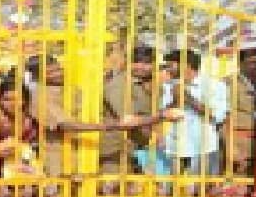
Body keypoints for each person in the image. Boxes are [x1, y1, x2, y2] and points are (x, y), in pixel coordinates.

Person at [24, 54, 166, 179]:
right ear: (37, 76)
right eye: (50, 72)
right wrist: (112, 126)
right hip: (63, 157)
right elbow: (65, 124)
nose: (58, 73)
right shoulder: (40, 97)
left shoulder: (71, 88)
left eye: (58, 69)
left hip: (92, 152)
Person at [160, 49, 229, 176]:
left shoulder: (214, 85)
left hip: (203, 148)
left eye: (170, 65)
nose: (167, 69)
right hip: (174, 147)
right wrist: (176, 100)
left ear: (186, 65)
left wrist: (189, 99)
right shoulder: (169, 86)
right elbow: (163, 114)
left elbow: (217, 116)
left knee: (201, 190)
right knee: (170, 191)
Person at [101, 47, 162, 176]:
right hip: (115, 149)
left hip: (135, 147)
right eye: (137, 62)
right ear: (128, 63)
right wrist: (154, 136)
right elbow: (128, 118)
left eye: (147, 63)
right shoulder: (118, 84)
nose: (141, 66)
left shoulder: (146, 83)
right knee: (113, 189)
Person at [225, 45, 256, 177]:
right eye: (253, 62)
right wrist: (231, 149)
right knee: (237, 189)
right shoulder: (229, 84)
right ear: (240, 64)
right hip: (238, 145)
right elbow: (224, 118)